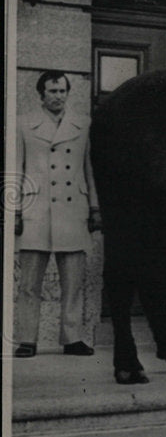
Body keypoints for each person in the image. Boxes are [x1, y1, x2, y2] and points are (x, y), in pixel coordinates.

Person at [14, 71, 101, 357]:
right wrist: (14, 211)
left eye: (62, 91)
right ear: (41, 94)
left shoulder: (83, 124)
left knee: (73, 282)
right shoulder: (24, 124)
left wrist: (94, 207)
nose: (58, 96)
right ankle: (27, 339)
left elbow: (89, 169)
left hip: (72, 207)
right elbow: (16, 169)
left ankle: (73, 338)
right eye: (52, 91)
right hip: (35, 209)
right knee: (29, 284)